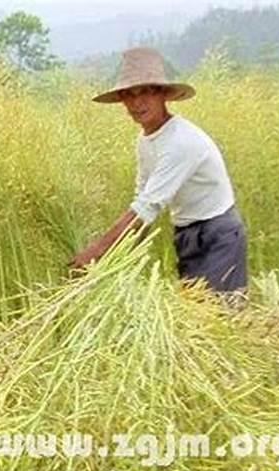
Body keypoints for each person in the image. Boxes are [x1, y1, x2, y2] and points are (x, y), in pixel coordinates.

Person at [70, 47, 247, 294]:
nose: (137, 102)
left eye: (146, 92)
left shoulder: (180, 142)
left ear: (163, 95)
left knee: (221, 319)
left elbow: (146, 208)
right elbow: (142, 198)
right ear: (122, 100)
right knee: (196, 316)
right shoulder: (145, 141)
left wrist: (96, 251)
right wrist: (119, 261)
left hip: (217, 234)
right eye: (129, 95)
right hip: (186, 233)